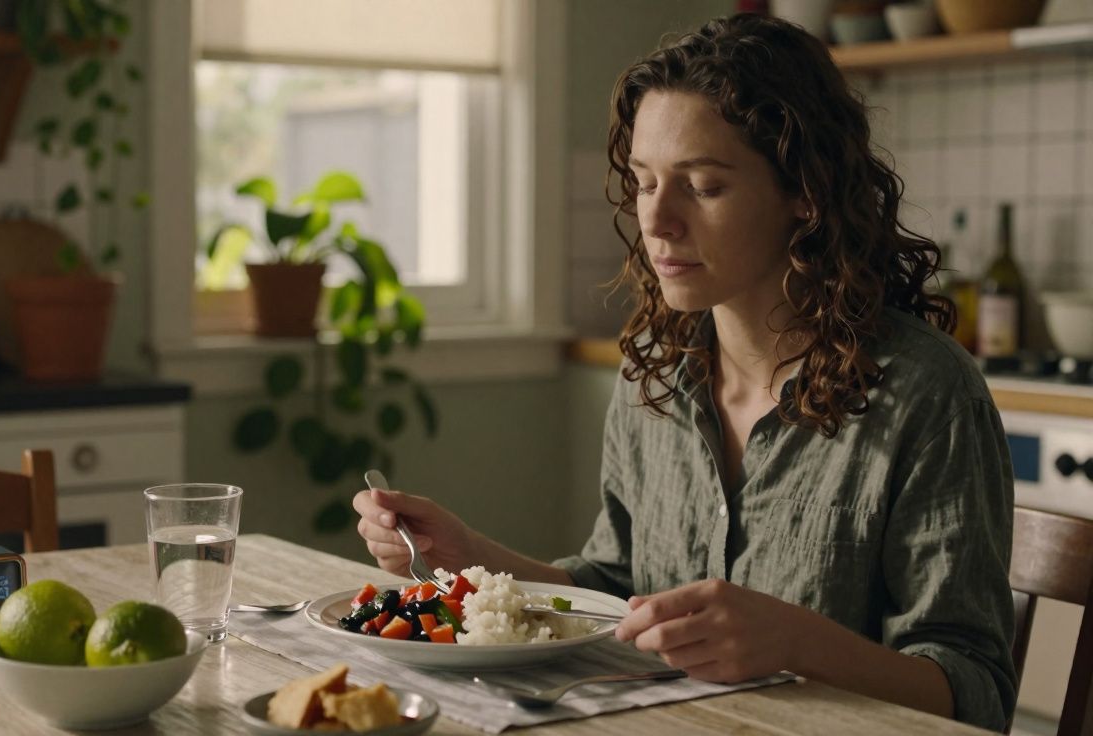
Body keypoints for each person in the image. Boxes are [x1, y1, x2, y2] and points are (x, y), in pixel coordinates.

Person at [352, 13, 1015, 731]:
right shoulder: (654, 379)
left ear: (806, 194)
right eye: (644, 182)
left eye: (701, 186)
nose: (657, 220)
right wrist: (473, 557)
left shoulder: (926, 393)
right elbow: (617, 589)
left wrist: (798, 643)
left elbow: (976, 692)